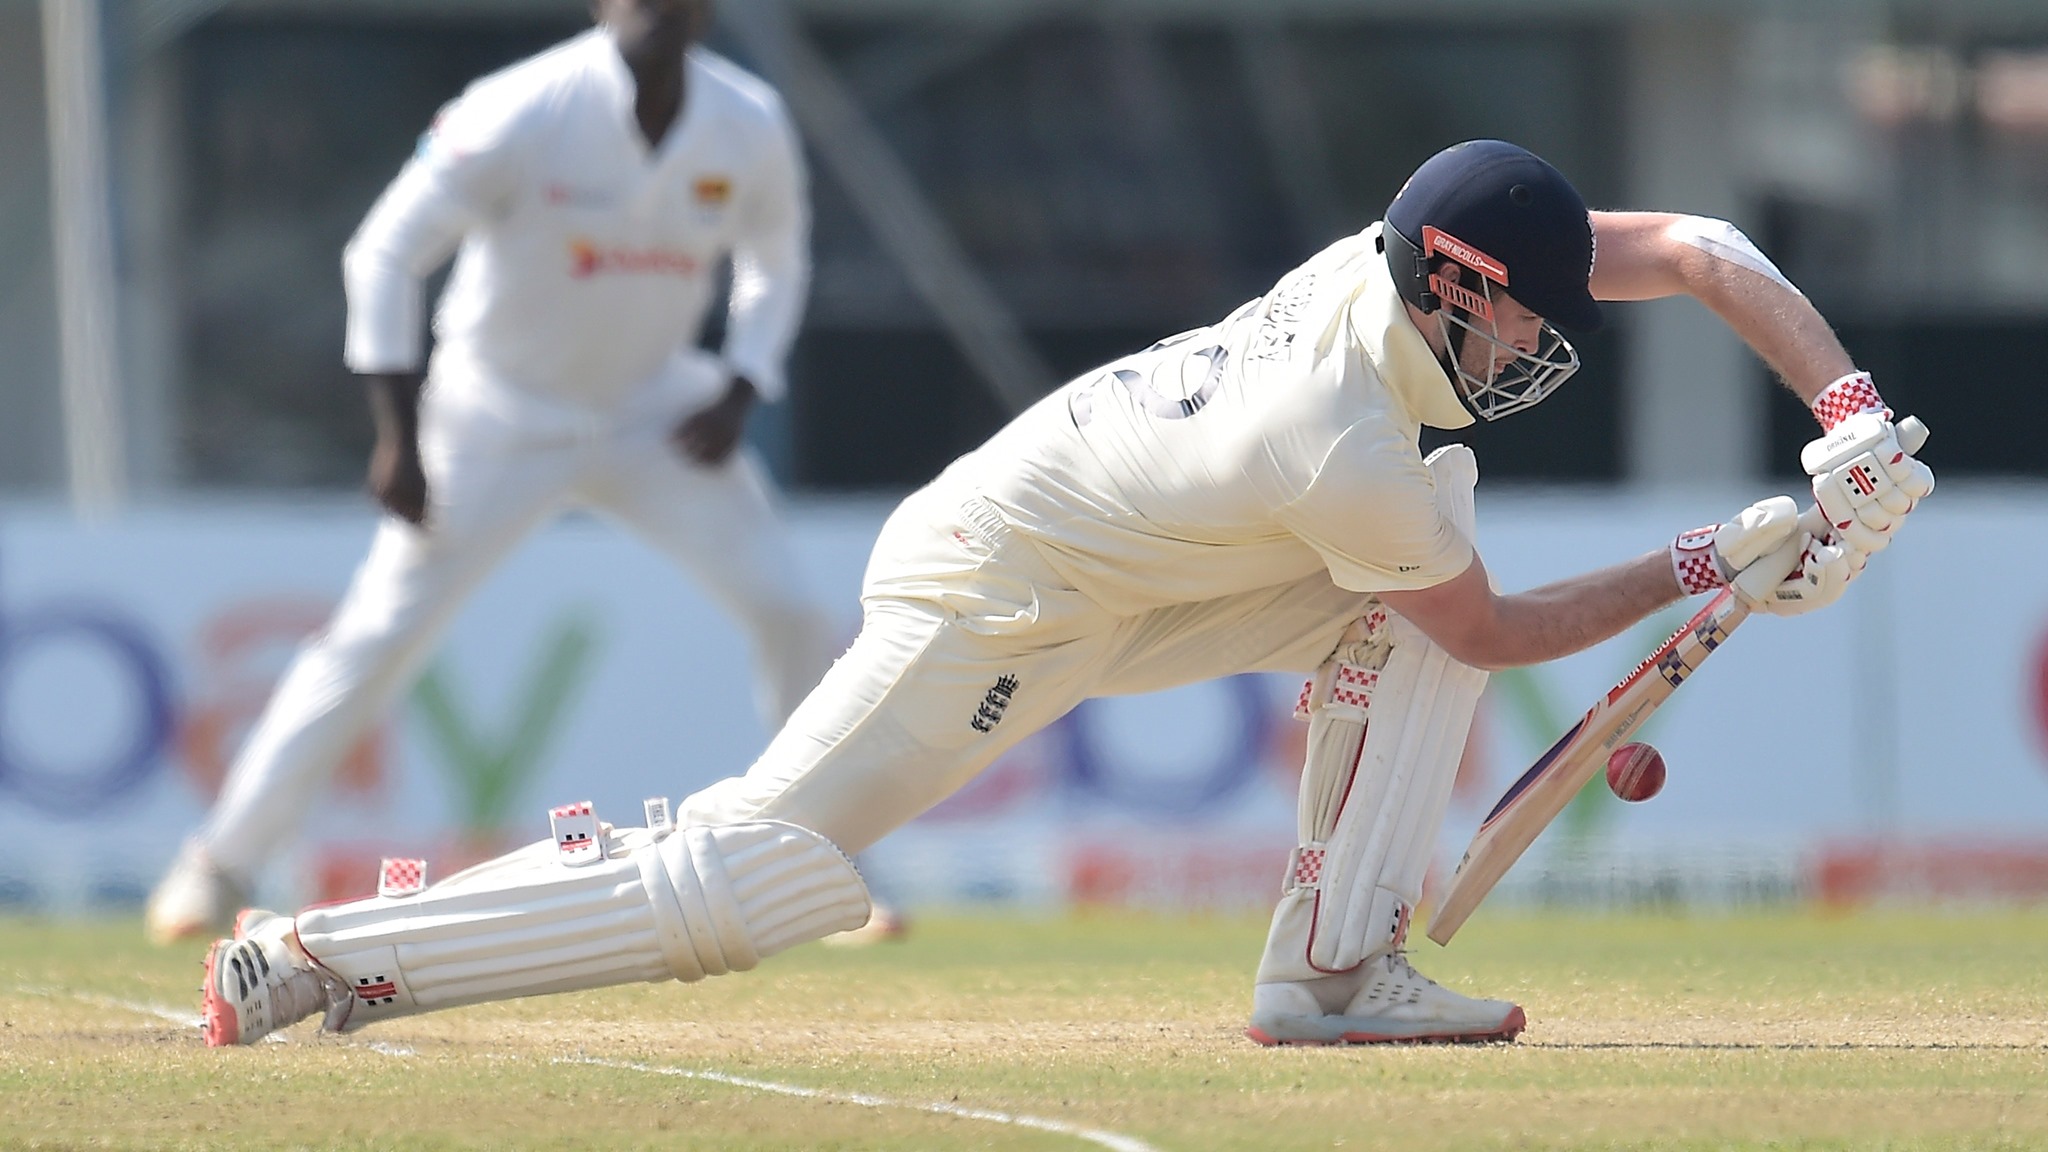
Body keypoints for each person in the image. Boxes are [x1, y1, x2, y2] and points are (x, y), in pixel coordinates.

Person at [198, 139, 1934, 1049]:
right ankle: (319, 960)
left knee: (1394, 592)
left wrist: (1841, 415)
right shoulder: (1337, 438)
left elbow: (1700, 252)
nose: (1543, 348)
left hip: (1139, 565)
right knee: (758, 874)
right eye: (1522, 321)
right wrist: (1714, 558)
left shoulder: (1384, 288)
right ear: (1453, 284)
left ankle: (1330, 976)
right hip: (1000, 587)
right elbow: (1485, 633)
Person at [148, 0, 846, 945]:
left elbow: (777, 258)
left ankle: (816, 860)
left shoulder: (746, 121)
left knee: (791, 610)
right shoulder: (520, 109)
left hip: (654, 412)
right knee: (377, 637)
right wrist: (397, 430)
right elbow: (385, 252)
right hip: (496, 417)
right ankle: (218, 862)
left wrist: (741, 386)